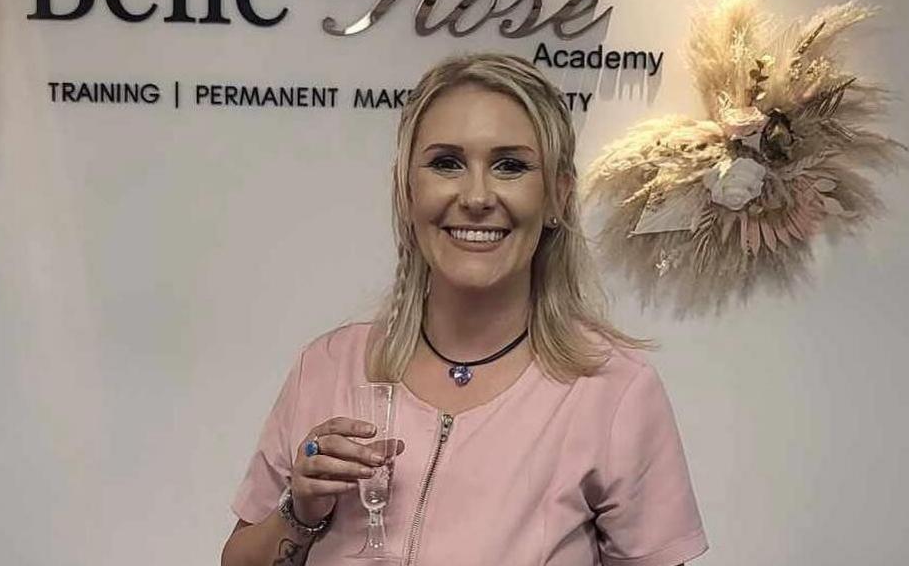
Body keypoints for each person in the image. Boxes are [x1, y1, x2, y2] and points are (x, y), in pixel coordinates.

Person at [221, 53, 709, 566]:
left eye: (511, 166)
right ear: (408, 191)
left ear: (558, 197)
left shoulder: (615, 392)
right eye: (446, 163)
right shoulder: (325, 368)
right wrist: (301, 511)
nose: (477, 196)